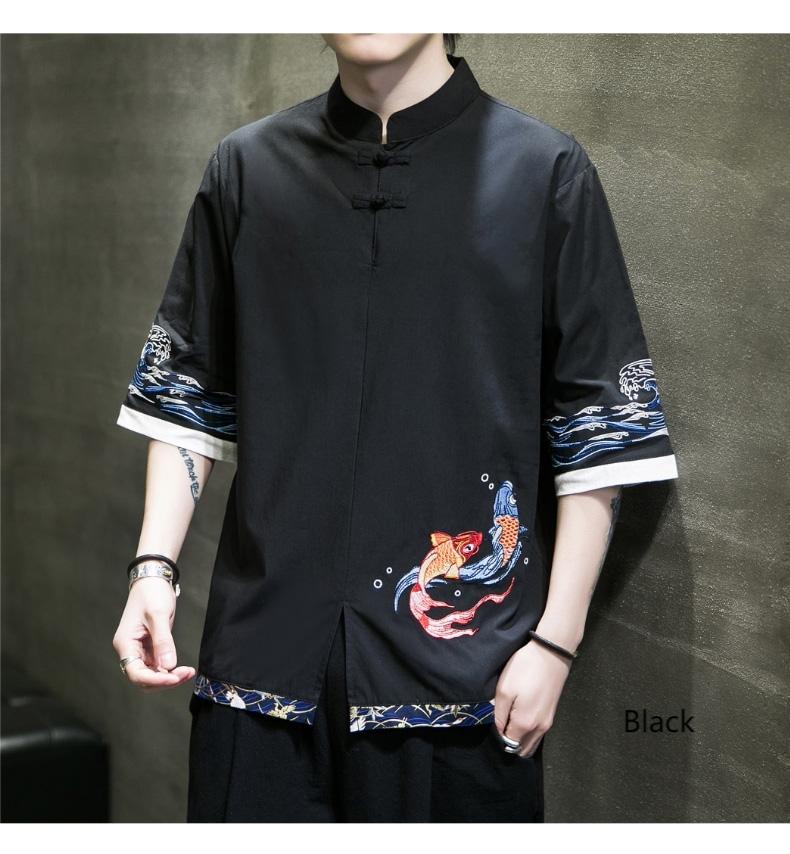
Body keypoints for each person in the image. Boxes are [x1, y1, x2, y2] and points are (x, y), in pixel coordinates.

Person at [112, 33, 679, 822]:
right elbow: (188, 392)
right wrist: (153, 570)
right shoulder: (246, 170)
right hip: (258, 674)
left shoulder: (543, 171)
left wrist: (556, 643)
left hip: (469, 688)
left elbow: (599, 430)